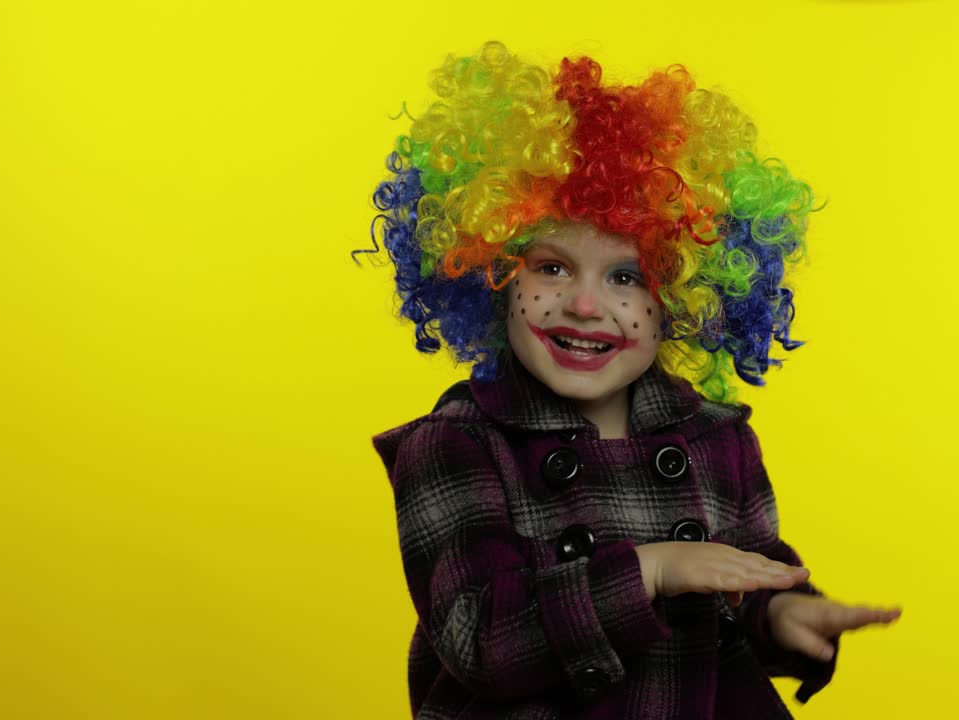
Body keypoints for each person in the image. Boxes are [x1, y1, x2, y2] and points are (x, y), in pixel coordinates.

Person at [364, 41, 901, 719]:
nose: (587, 305)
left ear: (682, 296)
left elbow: (742, 583)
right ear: (490, 273)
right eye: (552, 268)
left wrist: (780, 614)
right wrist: (649, 570)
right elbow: (479, 642)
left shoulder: (717, 440)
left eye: (626, 276)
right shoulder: (456, 445)